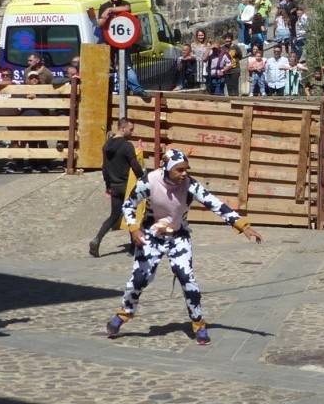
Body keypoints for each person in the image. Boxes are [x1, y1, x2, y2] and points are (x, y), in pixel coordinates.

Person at [105, 149, 263, 345]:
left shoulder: (190, 185)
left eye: (186, 169)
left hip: (178, 236)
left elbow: (215, 204)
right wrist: (134, 228)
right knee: (139, 279)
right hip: (150, 235)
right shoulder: (149, 181)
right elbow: (128, 205)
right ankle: (124, 313)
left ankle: (198, 323)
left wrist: (242, 225)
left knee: (187, 279)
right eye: (179, 170)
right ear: (167, 169)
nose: (184, 173)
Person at [92, 118, 146, 257]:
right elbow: (134, 165)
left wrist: (108, 185)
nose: (132, 132)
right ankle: (133, 248)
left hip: (114, 186)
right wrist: (143, 178)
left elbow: (104, 168)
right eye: (131, 129)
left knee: (114, 216)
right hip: (127, 186)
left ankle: (97, 239)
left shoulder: (106, 145)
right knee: (132, 214)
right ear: (122, 129)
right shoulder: (127, 146)